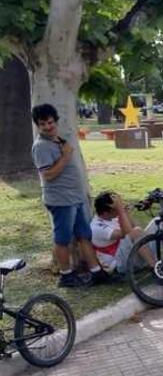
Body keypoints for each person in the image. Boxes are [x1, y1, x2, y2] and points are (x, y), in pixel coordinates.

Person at [31, 103, 110, 288]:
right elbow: (48, 175)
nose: (48, 127)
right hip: (61, 200)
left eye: (50, 122)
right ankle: (66, 276)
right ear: (38, 125)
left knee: (84, 235)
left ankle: (96, 272)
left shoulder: (57, 139)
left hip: (76, 197)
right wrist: (66, 157)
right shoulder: (41, 146)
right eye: (43, 124)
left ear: (55, 121)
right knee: (63, 239)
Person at [90, 192, 156, 275]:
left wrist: (125, 212)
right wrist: (121, 211)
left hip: (129, 254)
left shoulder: (112, 216)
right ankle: (155, 267)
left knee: (158, 221)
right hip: (118, 264)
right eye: (116, 209)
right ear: (105, 213)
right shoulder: (96, 227)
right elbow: (128, 233)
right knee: (136, 232)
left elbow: (134, 228)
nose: (117, 211)